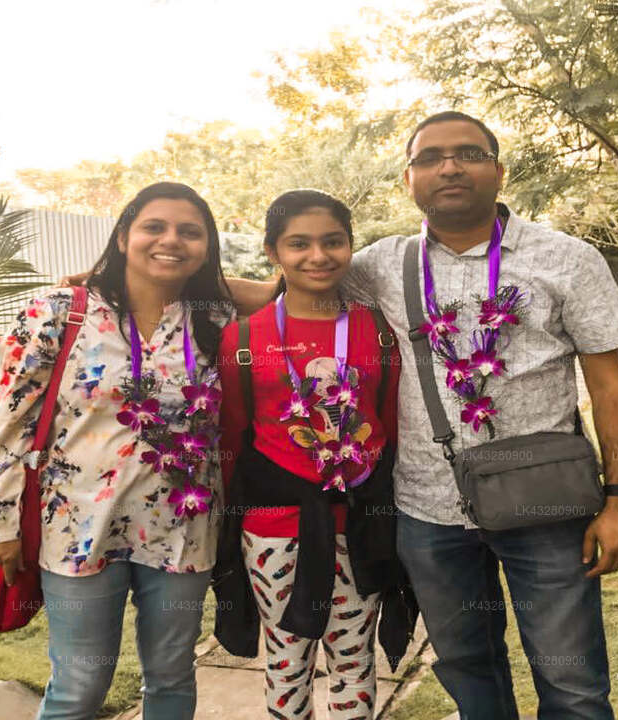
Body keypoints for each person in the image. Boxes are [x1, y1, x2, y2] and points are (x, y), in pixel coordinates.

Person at [221, 112, 618, 719]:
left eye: (468, 153)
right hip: (427, 512)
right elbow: (285, 287)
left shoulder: (567, 258)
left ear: (499, 170)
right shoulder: (381, 264)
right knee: (467, 667)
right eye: (430, 157)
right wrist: (127, 282)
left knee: (571, 679)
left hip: (546, 506)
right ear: (409, 179)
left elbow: (610, 384)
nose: (449, 167)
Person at [0, 181, 234, 720]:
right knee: (80, 686)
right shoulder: (60, 312)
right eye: (154, 227)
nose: (171, 240)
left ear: (207, 248)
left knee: (172, 675)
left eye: (190, 232)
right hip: (79, 524)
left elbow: (288, 285)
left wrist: (209, 277)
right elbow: (11, 421)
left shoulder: (216, 320)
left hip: (184, 528)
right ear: (122, 236)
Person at [212, 190, 413, 719]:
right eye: (298, 244)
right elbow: (233, 440)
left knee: (354, 660)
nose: (318, 256)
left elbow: (390, 426)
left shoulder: (380, 330)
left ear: (350, 245)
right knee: (286, 661)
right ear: (272, 252)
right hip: (274, 530)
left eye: (333, 241)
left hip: (363, 525)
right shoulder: (242, 339)